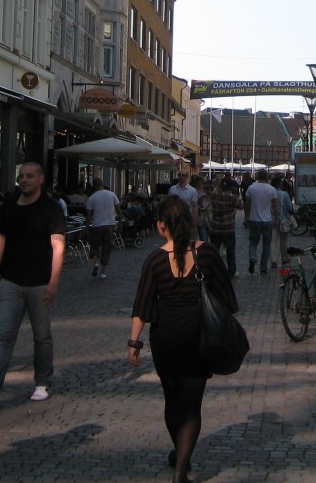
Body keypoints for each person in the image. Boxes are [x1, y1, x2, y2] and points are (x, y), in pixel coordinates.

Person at [128, 196, 238, 483]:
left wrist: (134, 342)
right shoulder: (208, 254)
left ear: (161, 226)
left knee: (172, 401)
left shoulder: (154, 261)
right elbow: (227, 299)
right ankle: (180, 469)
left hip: (164, 336)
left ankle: (180, 451)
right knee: (192, 406)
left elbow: (142, 305)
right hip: (197, 335)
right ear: (190, 223)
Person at [0, 162, 65, 406]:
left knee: (41, 336)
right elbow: (2, 237)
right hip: (11, 280)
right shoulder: (10, 205)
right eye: (21, 176)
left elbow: (58, 246)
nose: (24, 180)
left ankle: (43, 382)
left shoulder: (50, 209)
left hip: (40, 282)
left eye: (30, 176)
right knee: (4, 335)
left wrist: (53, 280)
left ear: (41, 179)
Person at [243, 169, 277, 275]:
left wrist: (246, 216)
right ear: (266, 177)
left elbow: (247, 204)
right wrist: (277, 218)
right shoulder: (272, 189)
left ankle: (252, 258)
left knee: (253, 242)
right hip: (267, 220)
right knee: (266, 245)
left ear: (257, 176)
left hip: (254, 219)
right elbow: (275, 206)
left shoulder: (251, 188)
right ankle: (263, 267)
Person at [86, 177, 120, 280]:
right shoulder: (111, 194)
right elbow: (119, 210)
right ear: (102, 184)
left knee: (95, 246)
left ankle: (96, 263)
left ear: (93, 186)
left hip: (96, 225)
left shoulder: (91, 198)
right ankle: (103, 272)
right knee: (107, 248)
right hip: (109, 225)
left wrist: (87, 228)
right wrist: (121, 222)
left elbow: (88, 216)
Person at [209, 178, 240, 276]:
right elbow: (241, 206)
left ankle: (212, 269)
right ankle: (231, 270)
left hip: (215, 227)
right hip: (228, 228)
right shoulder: (232, 197)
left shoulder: (214, 195)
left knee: (214, 250)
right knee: (230, 251)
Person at [272, 174, 294, 269]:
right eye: (281, 183)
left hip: (271, 220)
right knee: (283, 241)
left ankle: (273, 260)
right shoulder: (284, 194)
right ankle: (285, 258)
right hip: (283, 220)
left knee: (272, 241)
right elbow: (290, 208)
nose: (282, 184)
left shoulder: (270, 193)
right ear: (278, 184)